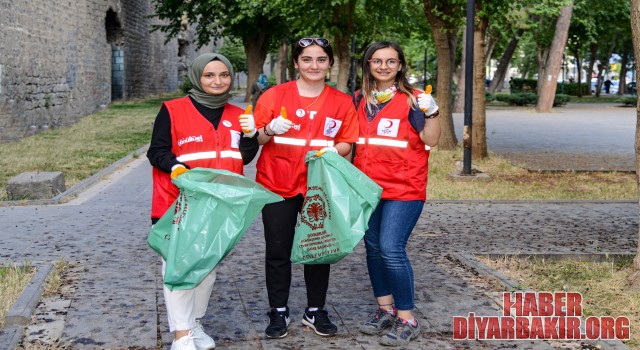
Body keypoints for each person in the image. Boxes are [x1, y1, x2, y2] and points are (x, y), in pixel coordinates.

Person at [247, 37, 358, 339]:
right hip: (276, 184)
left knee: (318, 248)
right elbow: (254, 137)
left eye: (321, 59)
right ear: (296, 63)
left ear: (330, 64)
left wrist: (337, 150)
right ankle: (278, 311)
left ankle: (315, 310)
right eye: (307, 59)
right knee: (278, 250)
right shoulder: (274, 96)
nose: (314, 65)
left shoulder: (341, 101)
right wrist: (268, 130)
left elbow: (348, 141)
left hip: (318, 188)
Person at [147, 53, 259, 350]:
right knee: (179, 268)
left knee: (207, 271)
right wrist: (176, 166)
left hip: (220, 206)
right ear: (197, 77)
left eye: (224, 75)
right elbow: (155, 151)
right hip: (178, 204)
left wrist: (250, 135)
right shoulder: (172, 110)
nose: (218, 81)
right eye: (210, 75)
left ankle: (194, 325)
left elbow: (243, 157)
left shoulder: (237, 114)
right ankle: (181, 336)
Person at [352, 41, 440, 347]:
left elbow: (432, 138)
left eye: (391, 61)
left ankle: (407, 318)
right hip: (369, 189)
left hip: (404, 189)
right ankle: (385, 310)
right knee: (373, 249)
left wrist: (433, 112)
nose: (384, 66)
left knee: (391, 249)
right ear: (369, 65)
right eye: (377, 61)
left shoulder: (416, 100)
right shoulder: (359, 99)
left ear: (400, 65)